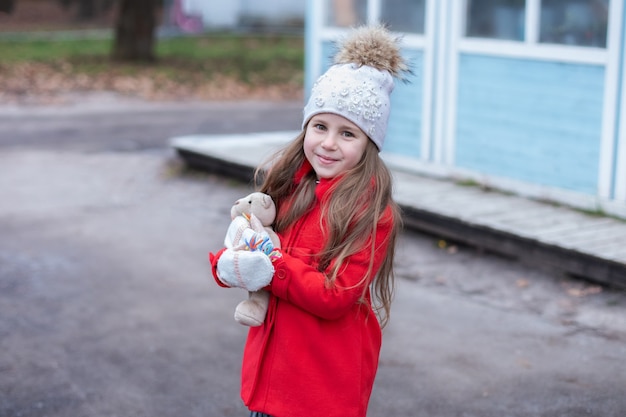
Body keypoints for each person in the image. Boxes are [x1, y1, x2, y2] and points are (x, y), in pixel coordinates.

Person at [209, 24, 409, 417]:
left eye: (347, 133)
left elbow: (334, 297)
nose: (329, 143)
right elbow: (252, 248)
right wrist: (230, 264)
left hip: (319, 393)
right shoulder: (287, 191)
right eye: (320, 126)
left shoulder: (370, 214)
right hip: (269, 382)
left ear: (370, 144)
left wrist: (270, 266)